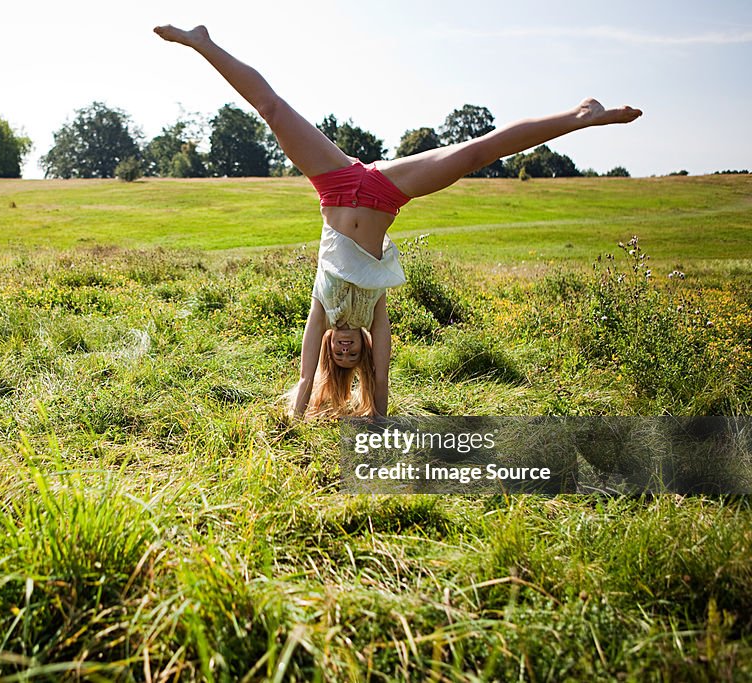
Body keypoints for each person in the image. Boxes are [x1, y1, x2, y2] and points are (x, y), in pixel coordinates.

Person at [154, 24, 642, 419]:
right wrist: (379, 420)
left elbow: (304, 378)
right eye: (352, 352)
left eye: (338, 352)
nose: (345, 347)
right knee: (477, 150)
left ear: (329, 347)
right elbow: (381, 379)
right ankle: (582, 115)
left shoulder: (321, 310)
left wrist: (295, 422)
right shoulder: (372, 314)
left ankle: (203, 43)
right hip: (386, 193)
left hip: (336, 183)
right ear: (360, 347)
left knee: (273, 110)